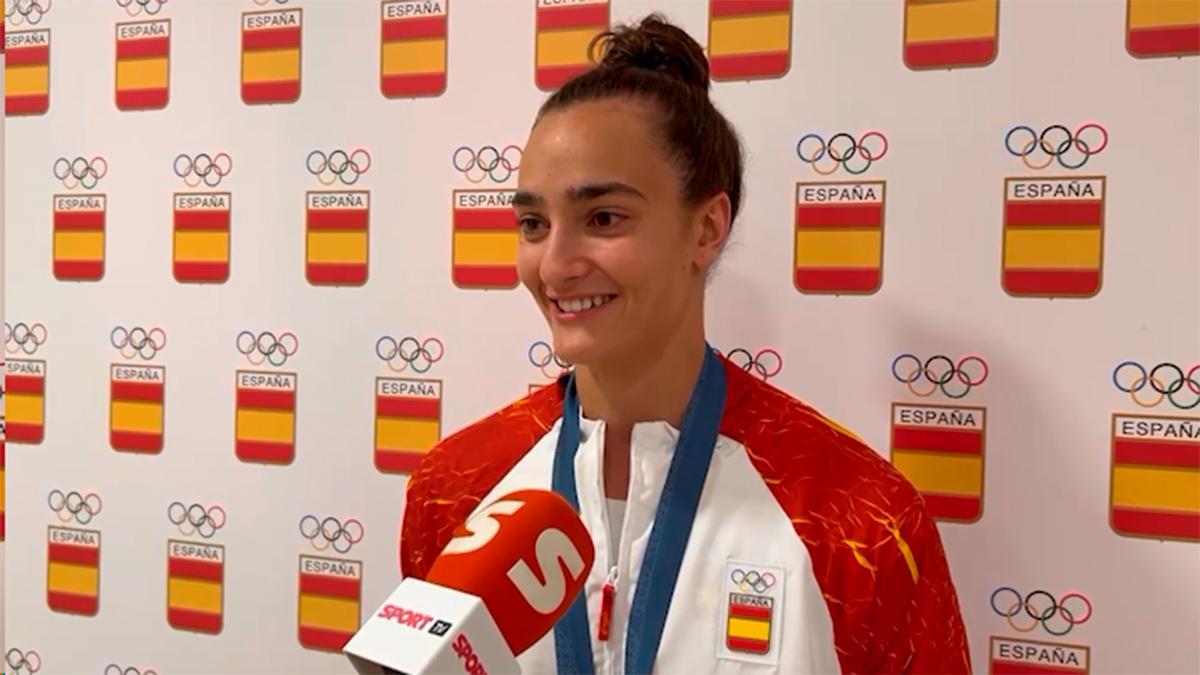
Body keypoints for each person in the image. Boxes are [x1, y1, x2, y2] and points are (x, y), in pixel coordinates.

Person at [401, 14, 971, 675]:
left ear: (706, 228)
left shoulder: (861, 519)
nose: (554, 265)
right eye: (533, 223)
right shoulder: (453, 489)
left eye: (603, 218)